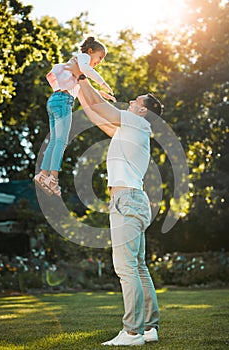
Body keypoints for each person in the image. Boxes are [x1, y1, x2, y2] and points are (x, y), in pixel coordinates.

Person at [71, 62, 163, 346]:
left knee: (126, 268)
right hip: (133, 200)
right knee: (138, 266)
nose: (131, 101)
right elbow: (99, 116)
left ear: (142, 110)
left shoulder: (138, 122)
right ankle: (149, 328)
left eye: (136, 101)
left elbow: (104, 109)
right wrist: (80, 89)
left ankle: (132, 332)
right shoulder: (132, 129)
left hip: (127, 200)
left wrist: (83, 76)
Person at [33, 36, 114, 196]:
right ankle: (53, 179)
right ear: (90, 51)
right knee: (61, 142)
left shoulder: (77, 64)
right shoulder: (83, 58)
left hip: (54, 101)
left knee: (55, 140)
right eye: (100, 57)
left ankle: (43, 174)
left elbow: (82, 85)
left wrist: (101, 94)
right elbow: (87, 72)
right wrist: (103, 82)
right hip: (63, 102)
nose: (100, 62)